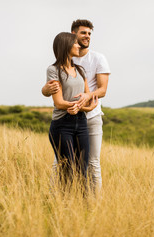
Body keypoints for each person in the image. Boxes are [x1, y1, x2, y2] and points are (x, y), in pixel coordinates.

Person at [42, 19, 110, 193]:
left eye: (89, 33)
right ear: (73, 36)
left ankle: (92, 202)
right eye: (83, 33)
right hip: (65, 119)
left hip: (89, 117)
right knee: (63, 163)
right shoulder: (56, 67)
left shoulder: (95, 60)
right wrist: (45, 89)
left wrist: (86, 100)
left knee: (90, 163)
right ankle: (56, 198)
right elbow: (55, 94)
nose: (87, 37)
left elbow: (101, 91)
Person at [46, 32, 98, 189]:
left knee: (83, 169)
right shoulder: (54, 70)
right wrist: (75, 106)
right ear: (66, 45)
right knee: (67, 169)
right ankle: (63, 206)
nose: (78, 45)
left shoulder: (80, 70)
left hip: (81, 123)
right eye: (75, 43)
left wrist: (83, 107)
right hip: (62, 125)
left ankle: (82, 207)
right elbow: (59, 103)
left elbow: (89, 100)